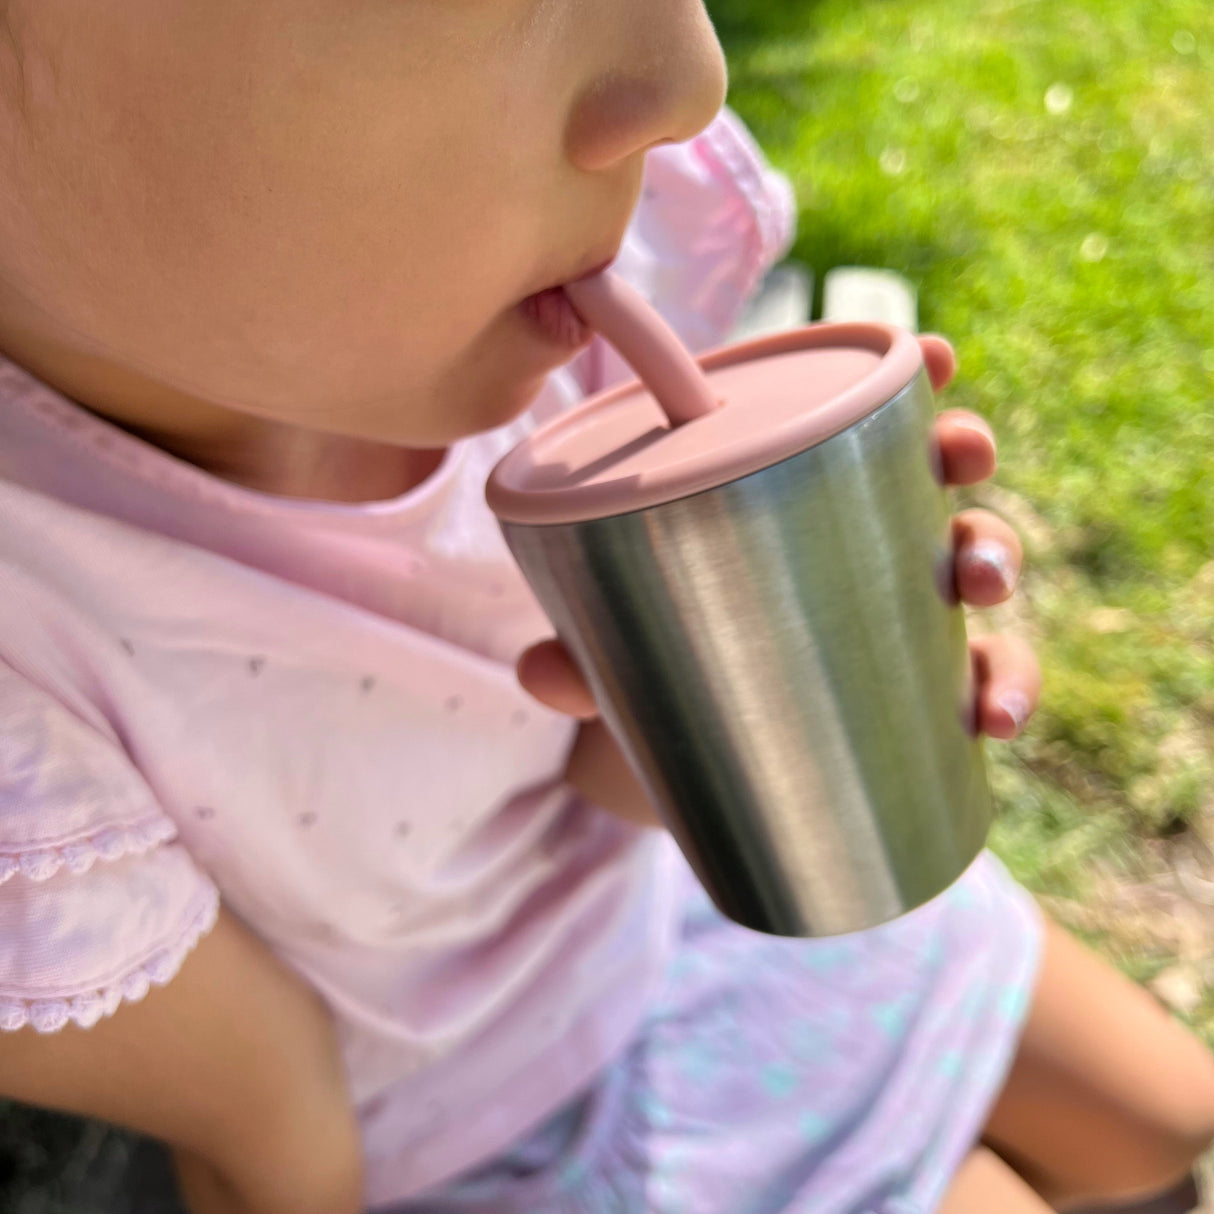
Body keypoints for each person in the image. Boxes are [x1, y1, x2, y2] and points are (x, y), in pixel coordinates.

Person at [0, 3, 1210, 1213]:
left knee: (1163, 1119)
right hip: (493, 1122)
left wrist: (764, 676)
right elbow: (267, 1120)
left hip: (682, 899)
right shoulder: (31, 632)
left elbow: (598, 784)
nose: (688, 78)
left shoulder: (510, 297)